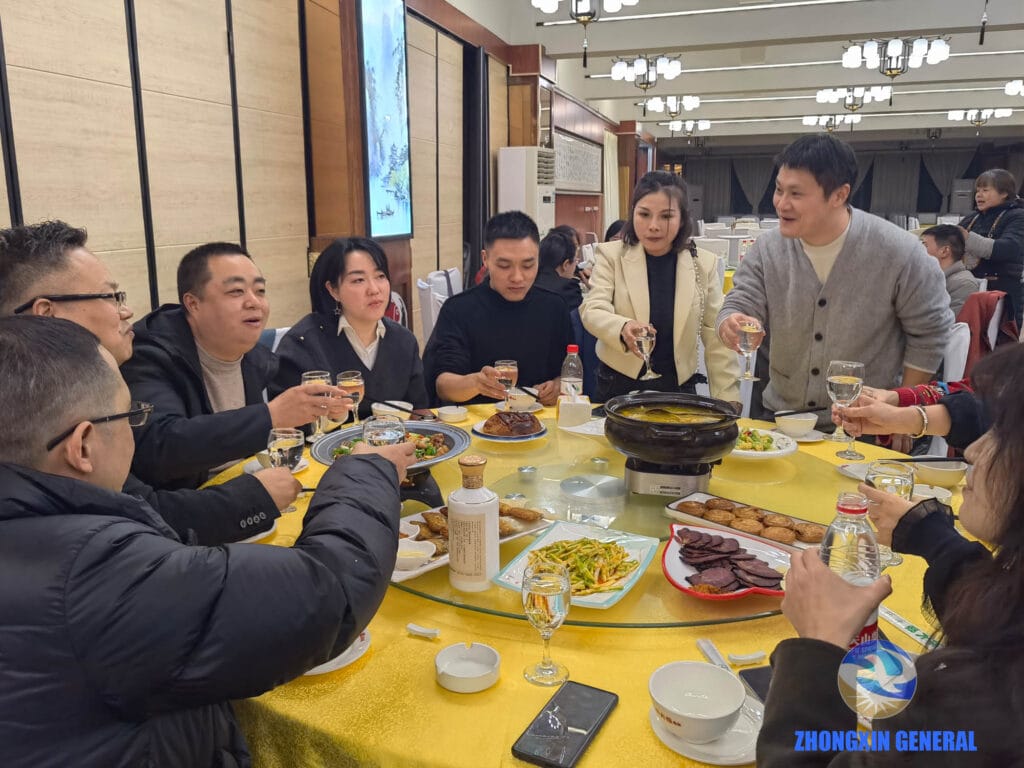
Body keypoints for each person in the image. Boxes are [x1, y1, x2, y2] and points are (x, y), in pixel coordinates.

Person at [0, 314, 416, 767]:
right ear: (82, 446)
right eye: (129, 417)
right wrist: (364, 470)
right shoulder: (94, 575)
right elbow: (326, 593)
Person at [757, 343, 1023, 765]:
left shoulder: (981, 705)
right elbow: (1005, 616)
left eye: (1001, 435)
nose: (972, 450)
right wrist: (937, 539)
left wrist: (818, 649)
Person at [0, 220, 296, 544]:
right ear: (47, 314)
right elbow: (145, 509)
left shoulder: (251, 355)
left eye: (260, 290)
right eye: (111, 296)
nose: (126, 311)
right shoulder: (44, 412)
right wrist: (256, 495)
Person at [718, 134, 953, 421]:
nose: (781, 204)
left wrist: (900, 409)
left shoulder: (898, 252)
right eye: (779, 190)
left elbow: (930, 333)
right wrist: (733, 321)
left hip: (866, 424)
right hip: (782, 419)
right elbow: (739, 302)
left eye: (796, 194)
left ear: (839, 195)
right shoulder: (769, 248)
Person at [122, 242, 351, 490]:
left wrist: (319, 412)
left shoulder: (254, 358)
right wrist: (272, 415)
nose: (254, 302)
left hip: (242, 489)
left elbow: (261, 429)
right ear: (193, 303)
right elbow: (161, 447)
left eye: (260, 291)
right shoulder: (149, 356)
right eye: (236, 292)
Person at [580, 170, 741, 404]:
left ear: (683, 218)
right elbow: (592, 309)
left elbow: (716, 335)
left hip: (678, 388)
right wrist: (623, 327)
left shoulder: (702, 264)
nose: (653, 226)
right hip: (618, 386)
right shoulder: (611, 256)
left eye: (666, 216)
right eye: (644, 214)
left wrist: (728, 397)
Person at [422, 210, 573, 406]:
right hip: (476, 425)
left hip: (539, 422)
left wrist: (557, 386)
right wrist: (476, 383)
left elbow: (568, 372)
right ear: (485, 259)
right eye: (504, 266)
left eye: (528, 265)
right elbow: (443, 385)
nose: (517, 277)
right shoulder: (459, 309)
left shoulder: (554, 307)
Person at [270, 237, 428, 419]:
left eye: (380, 276)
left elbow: (418, 410)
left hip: (396, 443)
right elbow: (286, 426)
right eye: (359, 280)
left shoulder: (403, 340)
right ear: (333, 290)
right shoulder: (303, 344)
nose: (374, 289)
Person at [959, 168, 1024, 328]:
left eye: (985, 190)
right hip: (970, 288)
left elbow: (1009, 248)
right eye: (978, 190)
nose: (979, 195)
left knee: (1000, 342)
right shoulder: (971, 218)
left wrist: (967, 238)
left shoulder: (1018, 216)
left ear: (1004, 193)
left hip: (1003, 290)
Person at [920, 224, 979, 318]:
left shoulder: (963, 284)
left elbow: (949, 325)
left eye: (925, 245)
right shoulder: (932, 278)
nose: (919, 250)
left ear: (944, 251)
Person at [533, 229, 583, 311]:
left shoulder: (528, 282)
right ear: (566, 264)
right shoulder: (568, 288)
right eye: (575, 261)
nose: (575, 266)